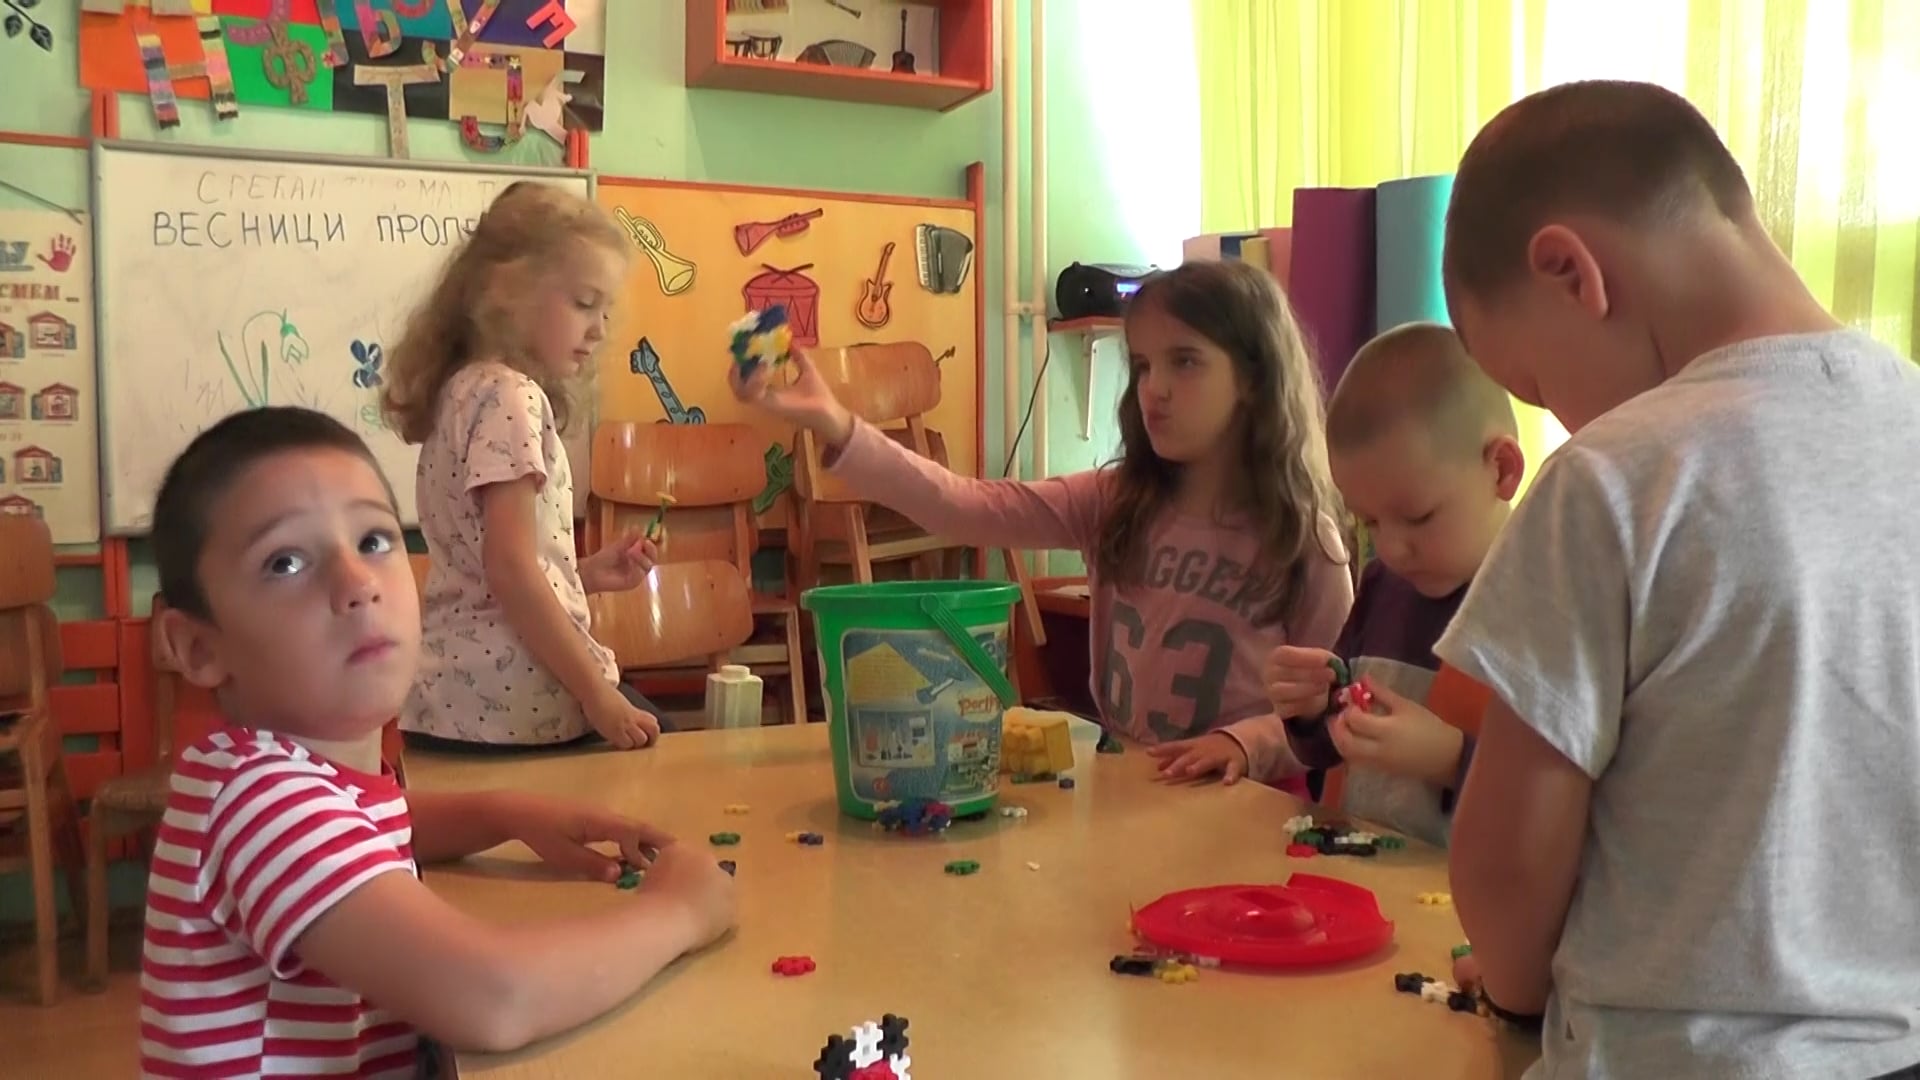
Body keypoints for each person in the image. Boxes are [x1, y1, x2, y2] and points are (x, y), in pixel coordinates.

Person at [1435, 79, 1920, 1078]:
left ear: (1570, 271)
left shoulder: (1612, 478)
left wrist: (1517, 985)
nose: (1563, 421)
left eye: (1537, 386)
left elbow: (1507, 869)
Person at [139, 408, 736, 1077]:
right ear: (198, 648)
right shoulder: (259, 804)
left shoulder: (276, 775)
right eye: (285, 562)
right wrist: (677, 913)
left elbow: (368, 826)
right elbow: (492, 999)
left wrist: (506, 814)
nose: (358, 584)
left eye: (373, 540)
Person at [732, 259, 1353, 790]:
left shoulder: (1303, 540)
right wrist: (835, 423)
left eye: (1185, 362)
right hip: (1131, 787)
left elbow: (1336, 708)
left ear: (1253, 379)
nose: (1154, 389)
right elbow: (961, 506)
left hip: (1246, 803)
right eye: (1142, 365)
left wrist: (1244, 743)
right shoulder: (1113, 501)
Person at [381, 181, 663, 751]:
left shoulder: (460, 390)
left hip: (451, 701)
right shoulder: (513, 397)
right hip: (518, 704)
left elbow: (486, 575)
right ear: (507, 291)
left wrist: (582, 573)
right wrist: (597, 695)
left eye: (605, 310)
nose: (599, 329)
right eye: (583, 303)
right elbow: (510, 570)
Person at [1264, 322, 1521, 845]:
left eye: (1418, 517)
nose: (1392, 549)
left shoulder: (1547, 602)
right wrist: (1313, 710)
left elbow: (1562, 803)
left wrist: (1450, 759)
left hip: (1465, 889)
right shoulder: (1384, 586)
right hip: (1365, 868)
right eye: (1370, 523)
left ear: (1501, 469)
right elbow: (1328, 750)